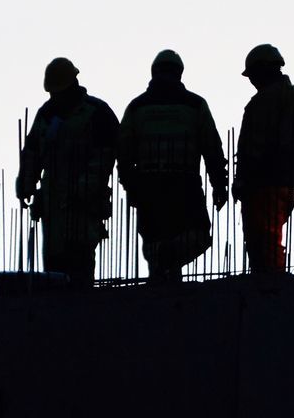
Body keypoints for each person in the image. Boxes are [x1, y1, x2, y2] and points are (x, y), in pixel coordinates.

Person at [118, 49, 228, 283]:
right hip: (183, 186)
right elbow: (212, 148)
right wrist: (219, 184)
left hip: (151, 188)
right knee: (196, 236)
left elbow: (124, 155)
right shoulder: (195, 105)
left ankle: (162, 284)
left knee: (156, 246)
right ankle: (168, 281)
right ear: (180, 73)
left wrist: (132, 189)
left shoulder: (137, 107)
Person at [16, 57, 119, 283]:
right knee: (54, 277)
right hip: (53, 213)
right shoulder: (46, 114)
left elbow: (107, 155)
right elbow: (32, 151)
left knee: (79, 273)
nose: (55, 97)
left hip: (82, 211)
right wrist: (25, 183)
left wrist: (83, 189)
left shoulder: (96, 112)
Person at [232, 44, 294, 274]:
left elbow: (259, 145)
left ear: (264, 70)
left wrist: (244, 176)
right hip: (281, 181)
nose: (252, 80)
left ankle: (271, 286)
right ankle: (270, 281)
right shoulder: (290, 99)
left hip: (265, 183)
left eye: (253, 74)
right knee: (267, 239)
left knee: (263, 240)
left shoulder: (267, 101)